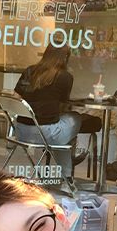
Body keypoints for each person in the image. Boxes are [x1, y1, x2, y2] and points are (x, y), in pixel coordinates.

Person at [13, 44, 96, 182]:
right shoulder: (65, 77)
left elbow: (16, 97)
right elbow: (63, 105)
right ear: (65, 58)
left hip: (21, 132)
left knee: (61, 133)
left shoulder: (29, 70)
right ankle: (68, 170)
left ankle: (67, 175)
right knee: (75, 118)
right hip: (45, 134)